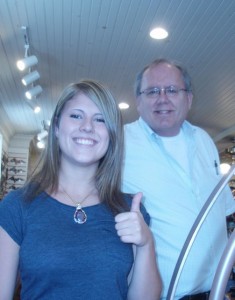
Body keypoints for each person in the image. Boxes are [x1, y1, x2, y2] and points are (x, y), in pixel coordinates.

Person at [0, 80, 162, 300]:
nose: (87, 126)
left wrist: (146, 243)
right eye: (76, 116)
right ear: (56, 127)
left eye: (100, 119)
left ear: (112, 135)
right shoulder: (17, 206)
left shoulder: (130, 211)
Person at [122, 58, 235, 299]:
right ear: (138, 101)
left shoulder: (204, 140)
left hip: (216, 291)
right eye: (152, 91)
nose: (162, 98)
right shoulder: (119, 145)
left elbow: (221, 213)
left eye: (172, 90)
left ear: (189, 99)